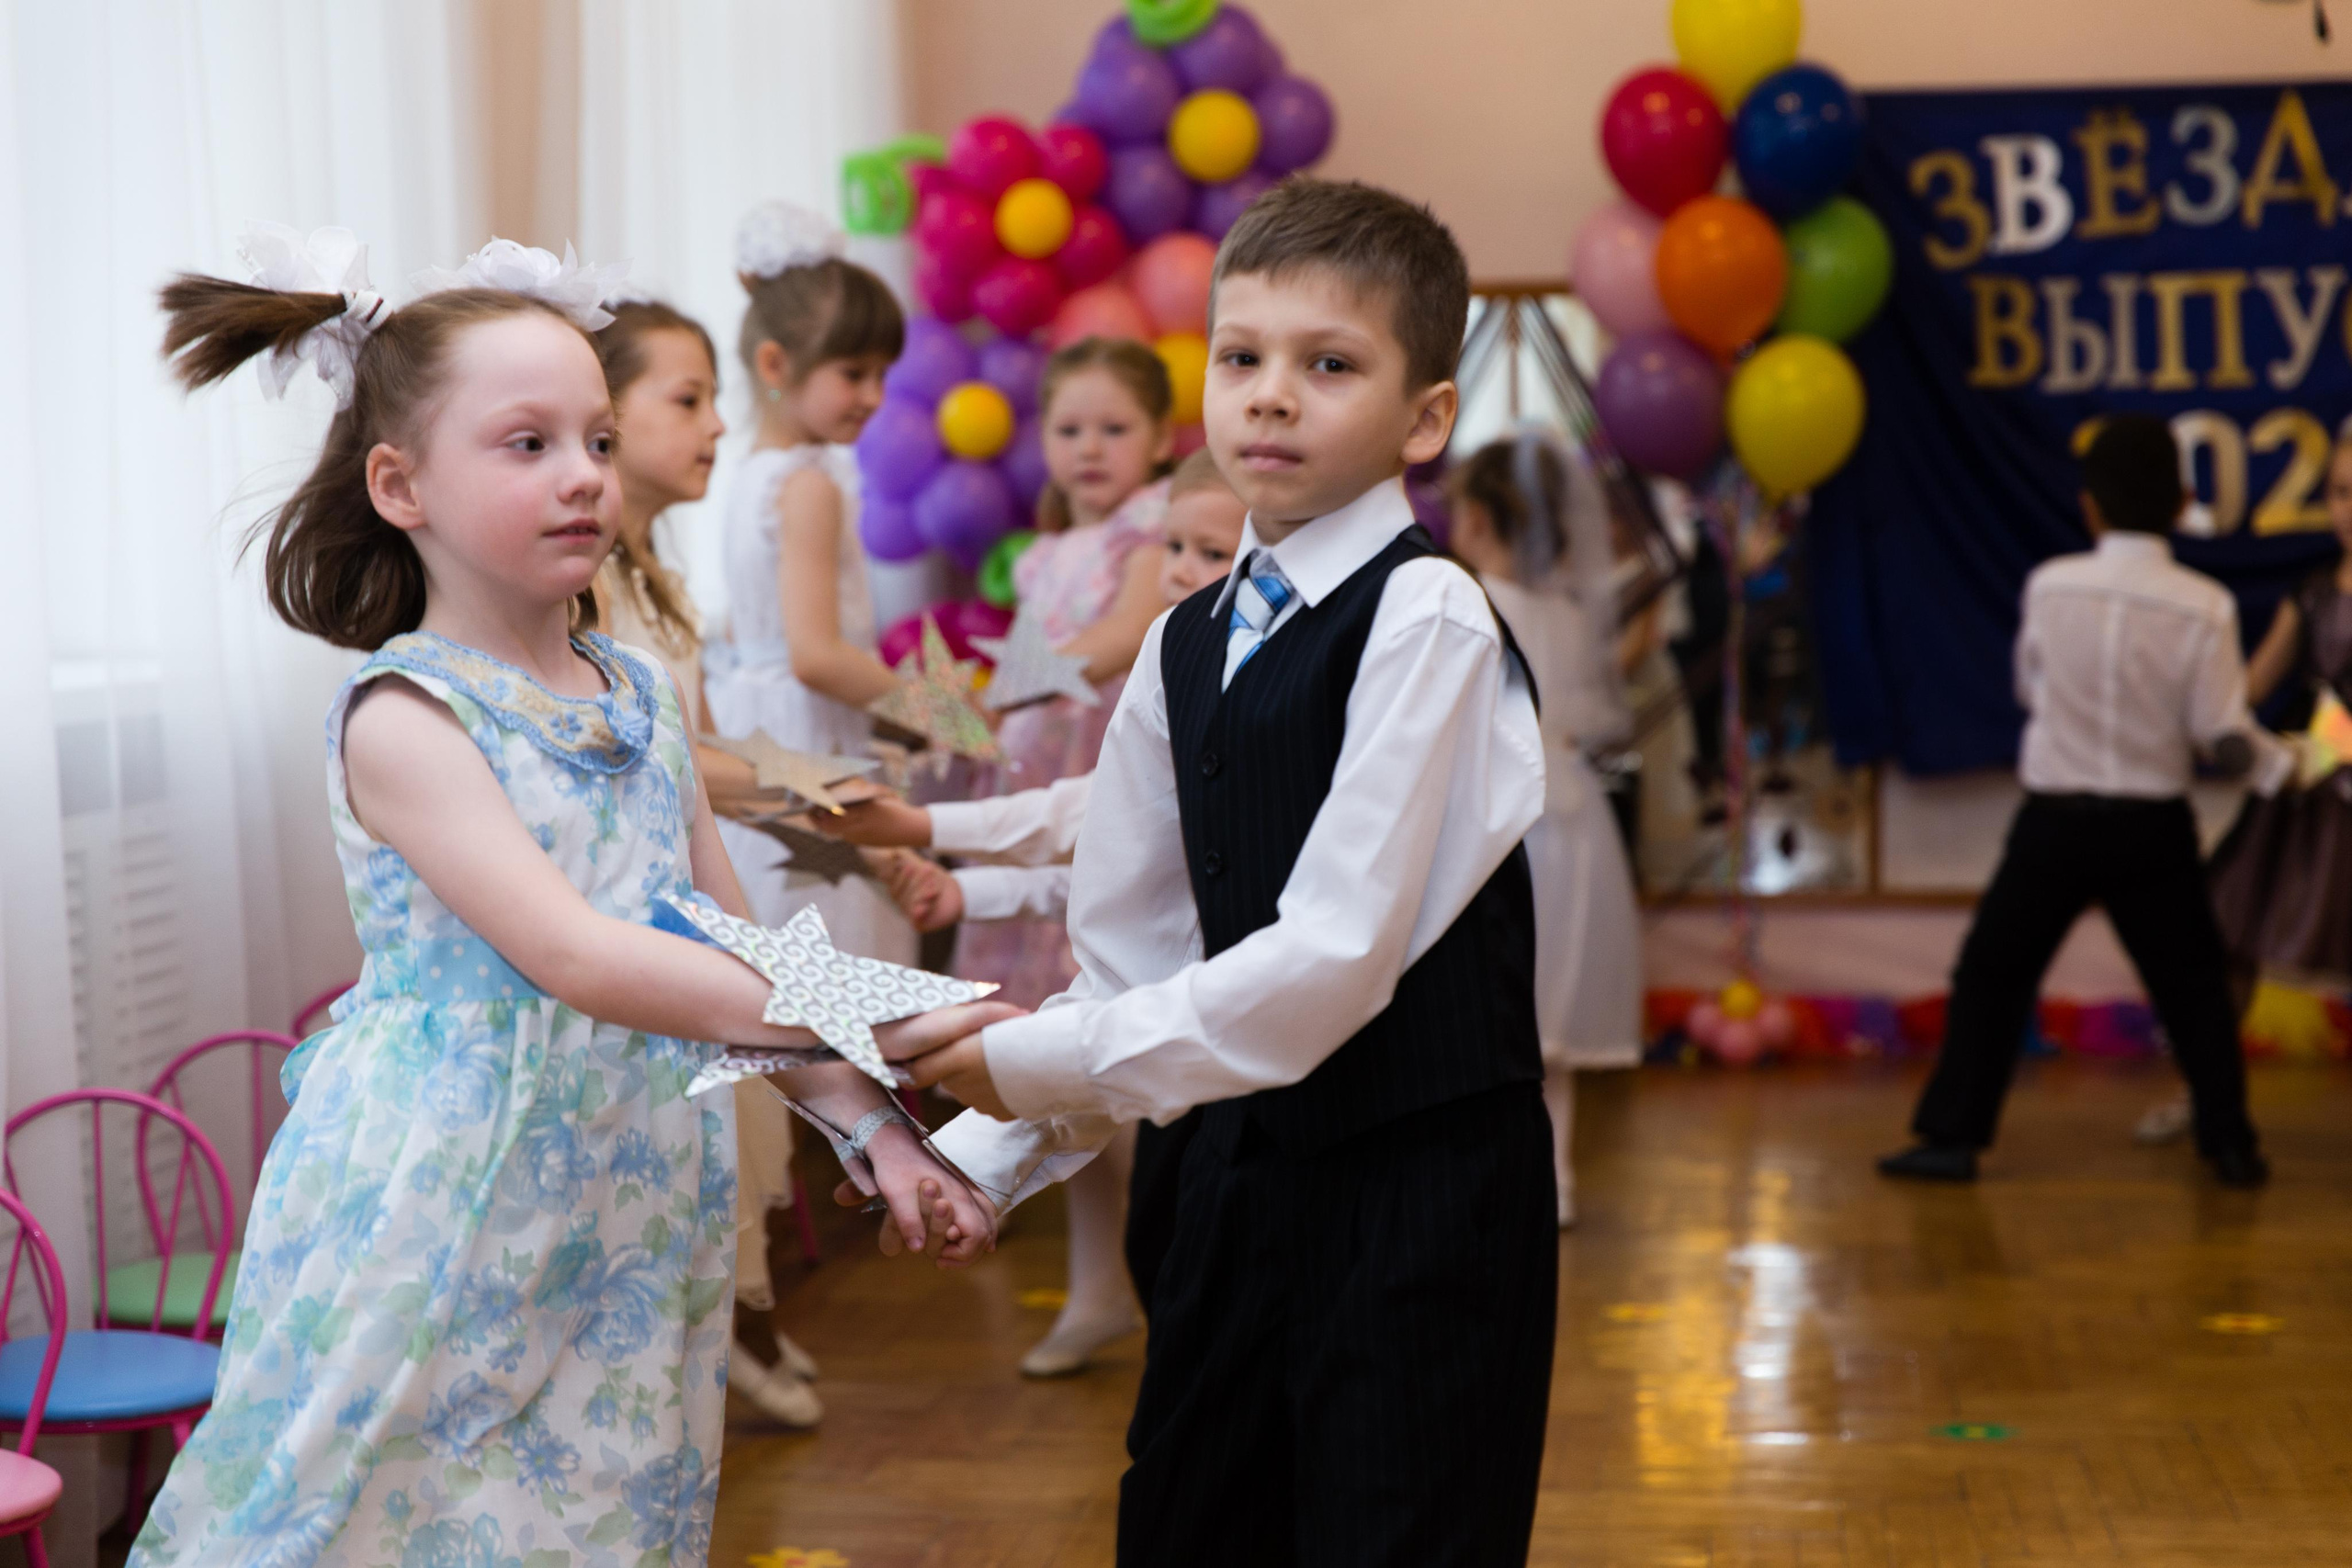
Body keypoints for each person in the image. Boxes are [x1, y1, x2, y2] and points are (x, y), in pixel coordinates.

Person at [138, 232, 1008, 1568]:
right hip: (447, 1192)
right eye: (526, 444)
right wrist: (879, 1011)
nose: (584, 477)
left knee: (598, 1514)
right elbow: (581, 954)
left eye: (597, 439)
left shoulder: (641, 696)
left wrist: (871, 1128)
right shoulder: (405, 714)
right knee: (381, 1516)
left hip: (626, 1199)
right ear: (400, 483)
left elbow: (724, 942)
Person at [899, 178, 1556, 1565]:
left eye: (1330, 365)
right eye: (1242, 357)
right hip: (1230, 1175)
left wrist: (1020, 1067)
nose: (1270, 395)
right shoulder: (1184, 636)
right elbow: (1131, 946)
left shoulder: (1428, 614)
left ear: (1424, 418)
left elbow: (1332, 955)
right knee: (1198, 1514)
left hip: (1417, 1183)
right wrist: (980, 1149)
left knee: (1397, 1523)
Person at [839, 449, 1248, 1316]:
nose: (1181, 569)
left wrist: (931, 834)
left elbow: (1112, 860)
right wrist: (957, 872)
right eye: (1177, 545)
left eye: (1213, 553)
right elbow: (1109, 845)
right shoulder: (1183, 666)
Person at [1879, 414, 2285, 1191]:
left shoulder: (2049, 585)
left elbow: (2030, 689)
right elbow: (2219, 733)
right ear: (2182, 502)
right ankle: (2230, 1143)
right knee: (2194, 987)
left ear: (2089, 505)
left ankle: (1950, 1138)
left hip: (2055, 822)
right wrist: (2282, 766)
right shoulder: (2204, 605)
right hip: (2152, 826)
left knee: (1993, 974)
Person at [590, 297, 825, 1428]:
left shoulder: (654, 577)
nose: (716, 427)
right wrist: (802, 784)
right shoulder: (575, 582)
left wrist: (814, 788)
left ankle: (739, 1320)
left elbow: (703, 746)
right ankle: (718, 1335)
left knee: (747, 1121)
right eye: (686, 401)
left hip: (696, 888)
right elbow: (659, 765)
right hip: (621, 919)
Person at [955, 336, 1177, 1376]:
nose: (1089, 449)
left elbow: (1128, 636)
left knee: (1121, 1064)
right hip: (1034, 792)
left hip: (1104, 808)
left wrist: (1000, 683)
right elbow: (1018, 679)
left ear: (1160, 440)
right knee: (1062, 1072)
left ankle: (1166, 1282)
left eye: (1114, 428)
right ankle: (1096, 1289)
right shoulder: (1041, 555)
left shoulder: (1150, 531)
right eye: (1069, 429)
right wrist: (951, 710)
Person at [701, 202, 913, 964]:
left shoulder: (751, 471)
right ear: (774, 366)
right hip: (807, 734)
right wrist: (943, 712)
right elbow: (817, 655)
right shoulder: (809, 483)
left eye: (883, 374)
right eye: (853, 373)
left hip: (756, 726)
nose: (874, 395)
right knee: (834, 956)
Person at [1448, 432, 1643, 1228]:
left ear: (1483, 521)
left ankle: (1487, 1178)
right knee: (1553, 1009)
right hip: (1578, 814)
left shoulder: (1468, 602)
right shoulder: (1569, 612)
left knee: (1494, 1004)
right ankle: (1555, 1177)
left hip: (1499, 815)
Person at [2138, 421, 2352, 1143]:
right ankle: (2207, 1094)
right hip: (2302, 791)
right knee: (2227, 934)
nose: (2351, 509)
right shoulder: (2315, 592)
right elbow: (2249, 687)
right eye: (2342, 493)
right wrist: (2196, 718)